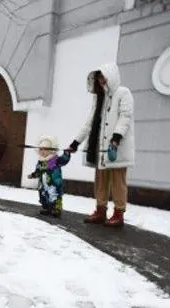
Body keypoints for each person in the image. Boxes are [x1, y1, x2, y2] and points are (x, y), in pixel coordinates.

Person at [68, 62, 135, 227]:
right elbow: (90, 123)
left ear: (111, 75)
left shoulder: (123, 93)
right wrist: (75, 142)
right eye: (98, 77)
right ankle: (100, 210)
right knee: (101, 180)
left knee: (118, 180)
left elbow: (125, 117)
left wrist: (116, 137)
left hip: (115, 146)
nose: (101, 80)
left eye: (103, 76)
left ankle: (119, 213)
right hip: (99, 146)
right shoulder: (98, 98)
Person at [27, 135, 75, 218]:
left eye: (45, 149)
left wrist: (67, 153)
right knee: (43, 195)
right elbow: (38, 171)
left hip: (54, 183)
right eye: (41, 149)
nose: (43, 151)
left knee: (54, 195)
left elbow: (64, 160)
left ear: (51, 150)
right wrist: (33, 175)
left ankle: (57, 209)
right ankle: (47, 208)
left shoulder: (54, 160)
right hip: (43, 184)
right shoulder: (40, 161)